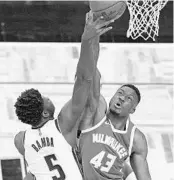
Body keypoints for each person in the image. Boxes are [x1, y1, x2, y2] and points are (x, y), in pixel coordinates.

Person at [14, 12, 114, 180]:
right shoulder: (63, 125)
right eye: (44, 99)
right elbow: (84, 79)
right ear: (45, 113)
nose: (48, 98)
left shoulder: (20, 140)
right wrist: (86, 40)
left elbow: (37, 167)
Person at [69, 11, 152, 180]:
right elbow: (90, 71)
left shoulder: (136, 138)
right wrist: (91, 37)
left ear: (133, 110)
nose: (121, 98)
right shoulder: (95, 113)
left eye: (128, 98)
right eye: (119, 93)